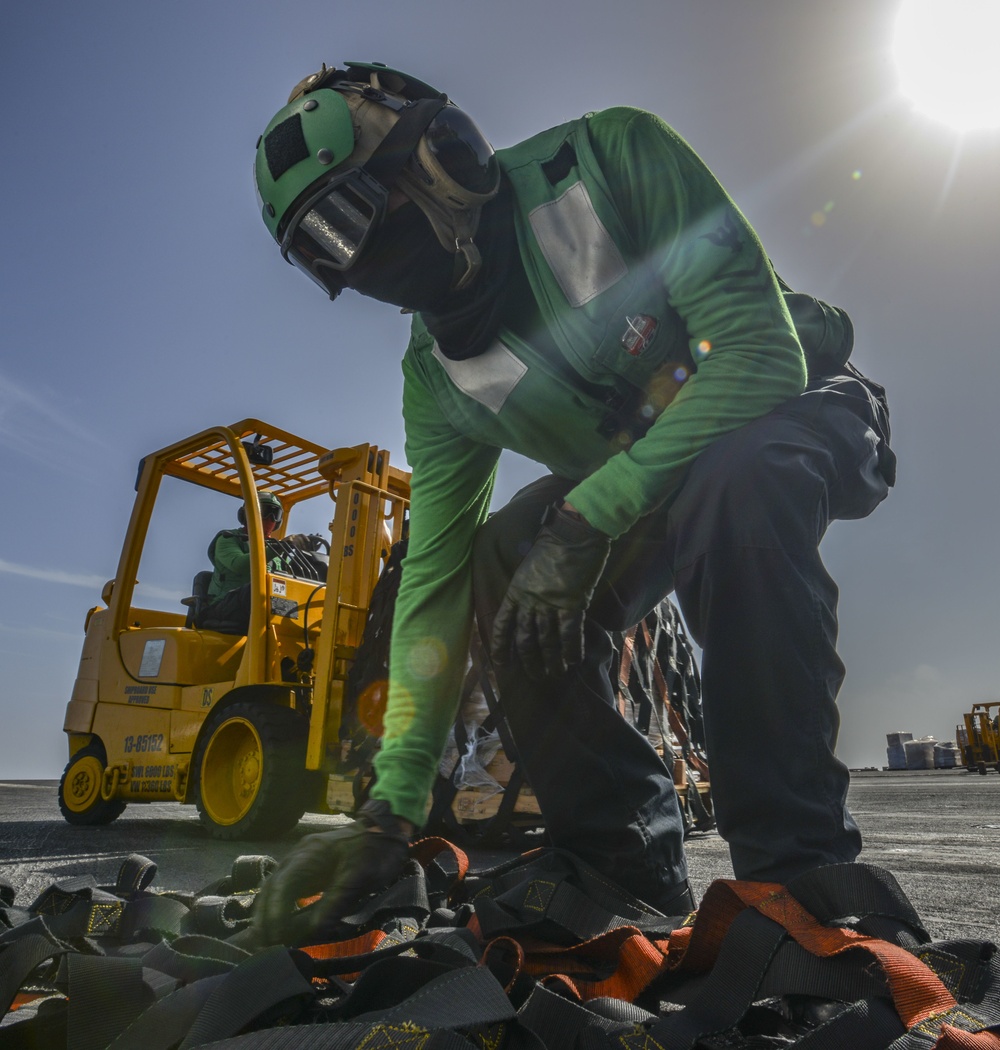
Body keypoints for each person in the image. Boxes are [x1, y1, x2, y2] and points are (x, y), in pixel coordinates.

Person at [248, 61, 895, 945]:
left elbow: (757, 353)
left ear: (447, 155)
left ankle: (797, 883)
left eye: (361, 218)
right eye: (331, 254)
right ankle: (622, 866)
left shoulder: (614, 158)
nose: (366, 266)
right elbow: (433, 582)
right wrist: (392, 809)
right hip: (647, 474)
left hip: (791, 401)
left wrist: (589, 518)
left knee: (738, 480)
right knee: (502, 567)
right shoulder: (436, 378)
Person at [202, 491, 297, 632]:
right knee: (256, 591)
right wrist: (280, 547)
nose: (268, 519)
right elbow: (241, 565)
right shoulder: (228, 539)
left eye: (274, 514)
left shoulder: (275, 550)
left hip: (261, 606)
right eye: (264, 512)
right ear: (246, 514)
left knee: (299, 606)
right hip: (224, 606)